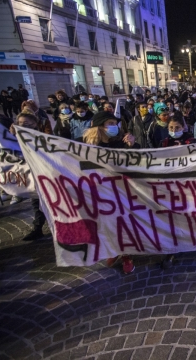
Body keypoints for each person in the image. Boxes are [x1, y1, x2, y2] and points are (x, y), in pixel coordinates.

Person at [83, 111, 138, 274]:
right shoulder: (83, 146)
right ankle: (113, 250)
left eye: (115, 123)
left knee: (123, 223)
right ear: (99, 127)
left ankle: (127, 255)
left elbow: (137, 160)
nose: (114, 127)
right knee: (105, 224)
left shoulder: (120, 143)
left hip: (120, 191)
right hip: (98, 192)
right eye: (110, 124)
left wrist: (133, 145)